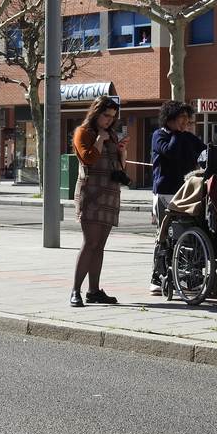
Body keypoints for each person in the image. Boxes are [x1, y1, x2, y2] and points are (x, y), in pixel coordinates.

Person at [70, 95, 128, 307]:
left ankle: (93, 291)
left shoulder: (111, 134)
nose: (109, 120)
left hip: (109, 193)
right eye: (106, 115)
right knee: (90, 243)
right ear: (96, 112)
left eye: (112, 117)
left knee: (100, 245)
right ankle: (75, 290)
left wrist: (122, 153)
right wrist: (100, 140)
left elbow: (120, 168)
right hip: (91, 193)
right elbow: (88, 158)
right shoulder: (82, 132)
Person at [148, 101, 206, 295]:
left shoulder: (187, 137)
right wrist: (177, 134)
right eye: (182, 118)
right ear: (170, 118)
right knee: (165, 236)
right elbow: (171, 152)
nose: (186, 122)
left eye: (187, 119)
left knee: (188, 234)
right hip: (165, 192)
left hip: (187, 191)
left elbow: (205, 151)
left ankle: (189, 277)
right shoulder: (159, 136)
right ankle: (158, 277)